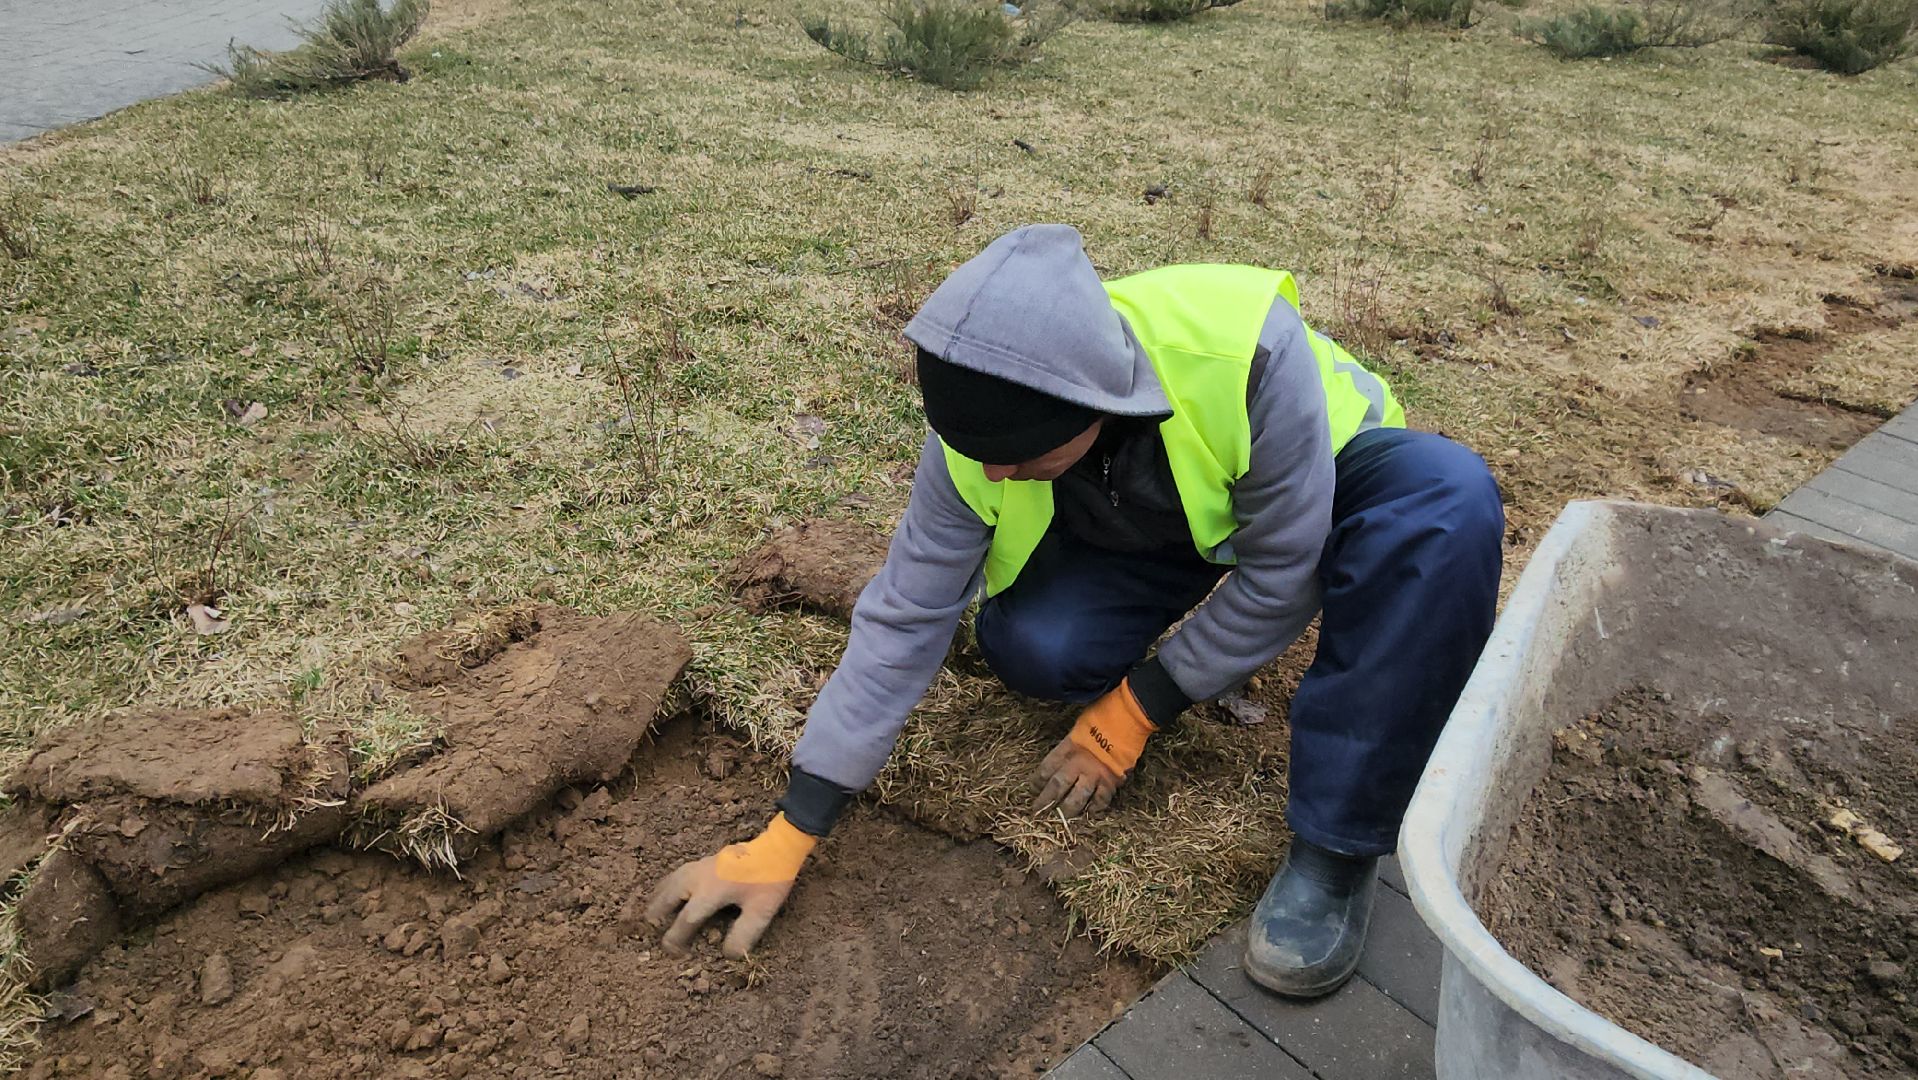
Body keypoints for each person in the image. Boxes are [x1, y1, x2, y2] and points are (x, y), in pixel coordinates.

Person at [644, 224, 1503, 998]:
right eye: (975, 456)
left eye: (1016, 459)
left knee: (1446, 503)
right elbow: (904, 618)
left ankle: (1336, 849)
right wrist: (791, 831)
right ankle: (1151, 592)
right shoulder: (977, 447)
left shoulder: (1242, 354)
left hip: (1322, 476)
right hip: (1144, 515)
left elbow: (1283, 571)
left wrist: (1141, 705)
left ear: (1097, 406)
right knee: (1037, 650)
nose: (992, 479)